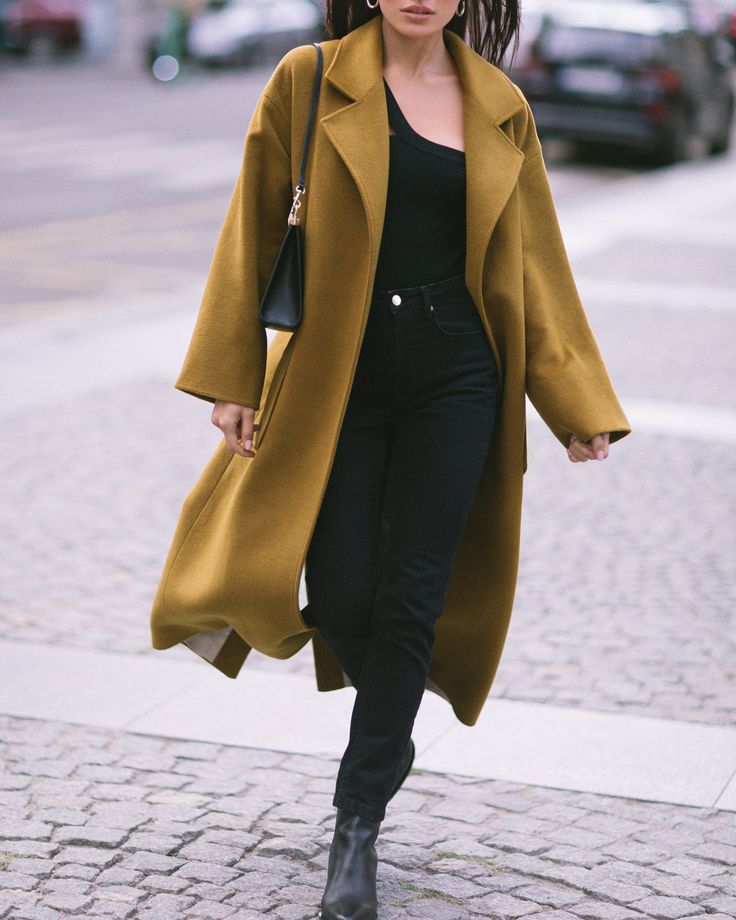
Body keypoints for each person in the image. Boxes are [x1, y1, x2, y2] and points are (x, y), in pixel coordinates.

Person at [149, 1, 632, 917]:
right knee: (340, 592)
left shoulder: (499, 103)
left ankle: (356, 824)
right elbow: (251, 221)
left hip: (459, 372)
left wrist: (574, 404)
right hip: (342, 368)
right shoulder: (311, 75)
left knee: (414, 590)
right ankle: (392, 723)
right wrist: (232, 376)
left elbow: (534, 265)